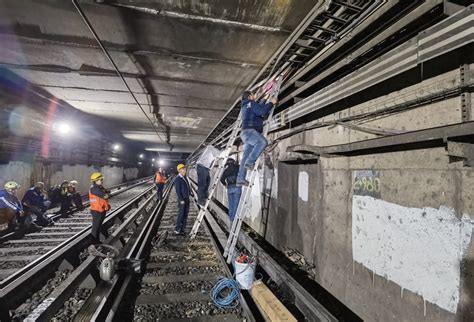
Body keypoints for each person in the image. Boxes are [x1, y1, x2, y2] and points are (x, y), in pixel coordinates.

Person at [236, 91, 276, 186]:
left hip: (246, 133)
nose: (255, 96)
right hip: (250, 132)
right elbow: (261, 111)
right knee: (262, 143)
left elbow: (258, 108)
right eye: (253, 95)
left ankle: (240, 178)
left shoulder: (247, 105)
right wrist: (271, 103)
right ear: (250, 96)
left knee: (245, 156)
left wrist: (265, 99)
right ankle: (250, 162)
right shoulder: (250, 103)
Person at [89, 172, 111, 243]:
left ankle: (98, 241)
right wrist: (107, 194)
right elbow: (106, 196)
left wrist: (107, 193)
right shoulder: (94, 189)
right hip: (96, 210)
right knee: (95, 227)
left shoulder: (100, 187)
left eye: (101, 179)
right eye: (100, 180)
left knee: (99, 226)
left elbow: (107, 192)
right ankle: (95, 243)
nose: (101, 181)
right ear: (95, 181)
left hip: (101, 209)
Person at [220, 158, 241, 222]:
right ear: (234, 162)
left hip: (229, 188)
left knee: (231, 205)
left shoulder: (226, 170)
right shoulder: (238, 167)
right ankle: (234, 220)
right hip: (237, 188)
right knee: (236, 205)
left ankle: (231, 219)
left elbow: (221, 179)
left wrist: (225, 184)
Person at [174, 164, 190, 236]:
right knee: (181, 214)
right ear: (179, 170)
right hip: (182, 200)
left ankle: (183, 229)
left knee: (185, 215)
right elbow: (178, 190)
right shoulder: (178, 178)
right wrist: (181, 199)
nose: (185, 170)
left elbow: (187, 187)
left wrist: (190, 193)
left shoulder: (184, 177)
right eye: (183, 169)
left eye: (185, 168)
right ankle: (177, 230)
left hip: (186, 198)